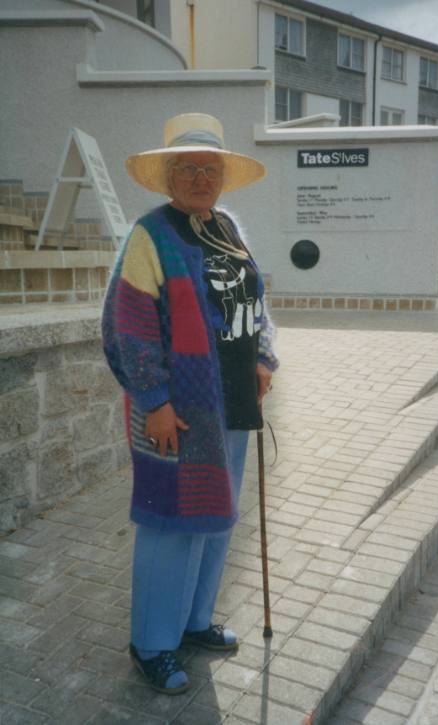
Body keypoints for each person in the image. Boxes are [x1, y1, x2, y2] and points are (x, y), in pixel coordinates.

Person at [101, 113, 278, 695]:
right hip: (175, 408)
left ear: (223, 177)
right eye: (188, 168)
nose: (201, 177)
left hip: (229, 402)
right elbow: (129, 325)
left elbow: (254, 300)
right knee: (169, 524)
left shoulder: (228, 227)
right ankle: (152, 642)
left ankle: (195, 621)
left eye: (210, 168)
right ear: (168, 178)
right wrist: (152, 399)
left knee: (216, 514)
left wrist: (264, 359)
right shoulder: (149, 235)